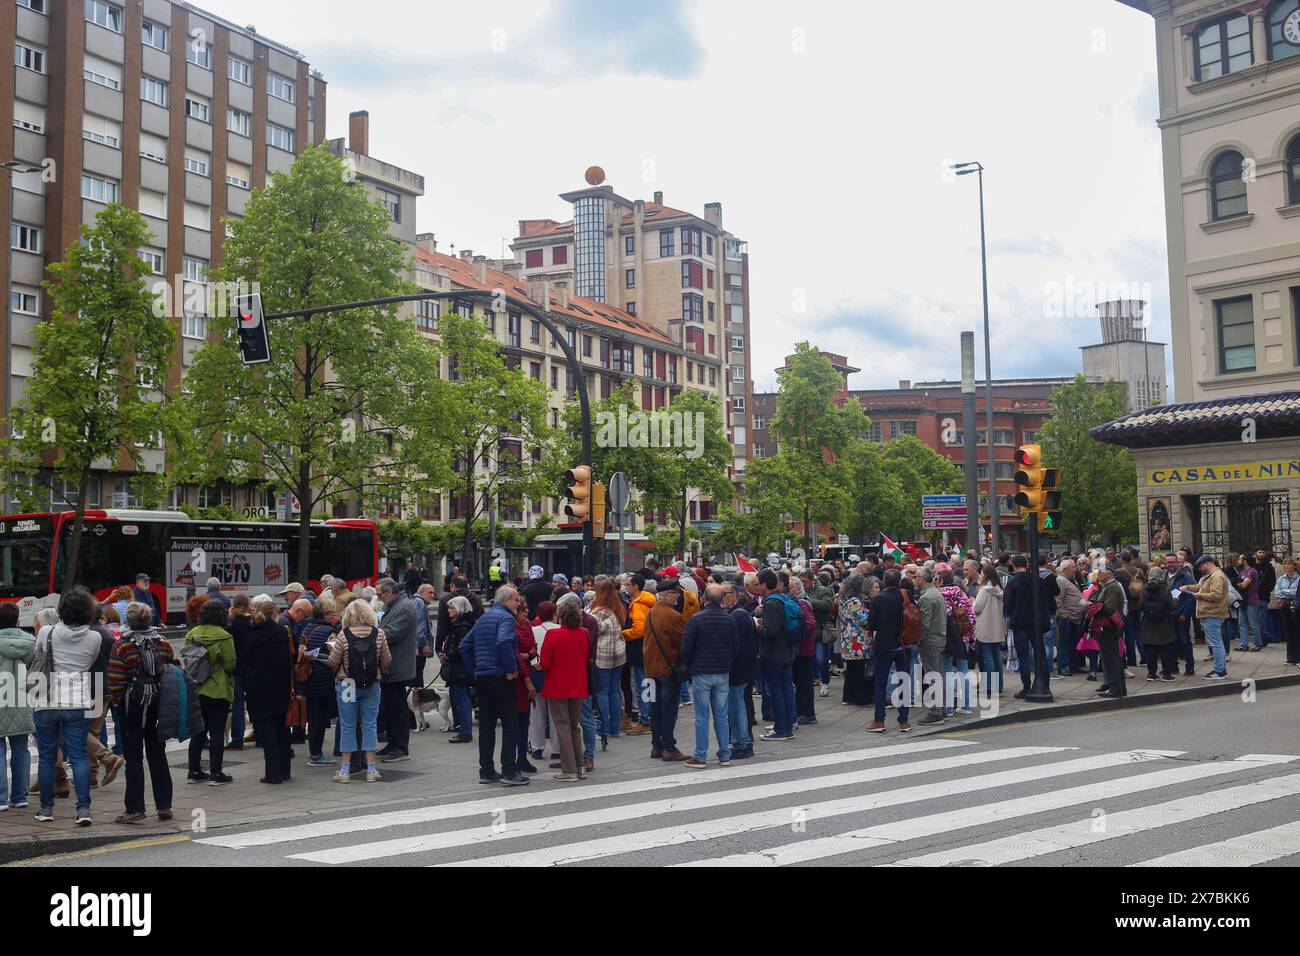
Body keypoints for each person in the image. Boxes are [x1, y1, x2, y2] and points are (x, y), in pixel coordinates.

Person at [31, 588, 100, 825]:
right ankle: (83, 810)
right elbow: (89, 663)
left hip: (46, 700)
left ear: (62, 610)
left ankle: (47, 809)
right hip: (76, 700)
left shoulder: (47, 632)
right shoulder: (94, 637)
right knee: (79, 756)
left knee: (47, 757)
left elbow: (38, 656)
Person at [107, 601, 175, 824]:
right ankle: (164, 805)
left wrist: (119, 704)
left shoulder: (122, 646)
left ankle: (135, 808)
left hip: (132, 708)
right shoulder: (163, 644)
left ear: (129, 621)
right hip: (158, 707)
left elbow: (115, 682)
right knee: (158, 755)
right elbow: (172, 673)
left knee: (134, 758)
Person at [460, 586, 530, 786]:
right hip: (500, 676)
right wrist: (511, 668)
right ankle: (509, 770)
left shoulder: (484, 618)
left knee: (487, 726)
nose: (518, 604)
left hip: (483, 677)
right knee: (510, 724)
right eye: (516, 600)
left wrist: (476, 670)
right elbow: (504, 642)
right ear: (507, 600)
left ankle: (487, 770)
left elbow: (465, 646)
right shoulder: (506, 618)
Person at [327, 598, 391, 783]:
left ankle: (345, 771)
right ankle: (371, 769)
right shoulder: (378, 634)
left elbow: (333, 662)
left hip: (347, 684)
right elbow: (386, 661)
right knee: (370, 725)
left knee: (348, 725)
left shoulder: (343, 635)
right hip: (371, 684)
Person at [681, 584, 738, 768]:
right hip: (722, 671)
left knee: (702, 716)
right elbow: (735, 647)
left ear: (704, 599)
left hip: (702, 671)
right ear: (722, 600)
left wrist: (690, 666)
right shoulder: (729, 619)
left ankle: (700, 755)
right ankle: (724, 754)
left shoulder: (696, 619)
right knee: (721, 715)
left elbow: (687, 648)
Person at [183, 598, 238, 785]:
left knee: (198, 731)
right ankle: (216, 773)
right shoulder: (224, 636)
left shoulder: (192, 634)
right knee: (216, 731)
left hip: (195, 688)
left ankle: (194, 771)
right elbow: (231, 664)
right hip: (217, 689)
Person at [243, 595, 294, 784]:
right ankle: (285, 769)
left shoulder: (251, 633)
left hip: (258, 686)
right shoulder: (281, 632)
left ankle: (273, 772)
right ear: (273, 613)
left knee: (267, 729)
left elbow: (245, 660)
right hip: (280, 685)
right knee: (283, 727)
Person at [540, 601, 589, 782]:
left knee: (563, 727)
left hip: (558, 685)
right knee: (575, 727)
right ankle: (580, 766)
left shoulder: (553, 634)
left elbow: (545, 663)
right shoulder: (584, 634)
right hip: (578, 684)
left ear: (560, 617)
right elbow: (585, 658)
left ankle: (568, 770)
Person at [642, 579, 688, 760]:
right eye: (674, 593)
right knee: (669, 709)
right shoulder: (673, 616)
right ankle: (669, 747)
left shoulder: (651, 612)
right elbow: (684, 642)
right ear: (666, 595)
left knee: (654, 708)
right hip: (667, 670)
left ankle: (656, 746)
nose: (677, 596)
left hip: (650, 670)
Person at [374, 577, 416, 764]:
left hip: (397, 666)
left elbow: (393, 633)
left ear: (389, 592)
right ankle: (392, 744)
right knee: (391, 708)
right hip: (391, 666)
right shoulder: (395, 606)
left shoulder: (404, 607)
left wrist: (370, 633)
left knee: (398, 709)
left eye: (379, 594)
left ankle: (400, 748)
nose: (378, 598)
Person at [0, 603, 35, 811]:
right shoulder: (29, 641)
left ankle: (1, 798)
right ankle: (20, 796)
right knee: (21, 749)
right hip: (21, 699)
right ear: (17, 619)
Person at [754, 568, 797, 741]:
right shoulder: (782, 598)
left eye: (757, 584)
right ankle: (787, 726)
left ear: (764, 585)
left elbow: (771, 632)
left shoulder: (770, 603)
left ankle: (780, 729)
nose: (755, 587)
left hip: (773, 654)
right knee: (786, 689)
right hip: (786, 651)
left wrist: (757, 627)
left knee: (776, 691)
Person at [866, 569, 910, 733]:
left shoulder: (878, 599)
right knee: (904, 681)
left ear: (884, 580)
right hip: (903, 644)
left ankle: (879, 720)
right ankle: (903, 721)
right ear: (899, 580)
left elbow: (872, 624)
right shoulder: (906, 595)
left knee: (881, 683)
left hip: (884, 645)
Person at [298, 597, 339, 767]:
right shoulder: (329, 631)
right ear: (325, 614)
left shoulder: (307, 627)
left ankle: (314, 752)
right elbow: (335, 655)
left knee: (313, 716)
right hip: (323, 680)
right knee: (320, 719)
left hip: (307, 678)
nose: (334, 616)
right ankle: (316, 754)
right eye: (332, 613)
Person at [721, 579, 756, 759]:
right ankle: (742, 741)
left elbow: (738, 647)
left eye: (723, 594)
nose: (721, 598)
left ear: (733, 595)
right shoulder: (736, 614)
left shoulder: (738, 616)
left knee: (737, 708)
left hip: (738, 671)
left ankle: (742, 743)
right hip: (740, 669)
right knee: (737, 706)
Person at [1183, 555, 1230, 679]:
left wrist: (1200, 596)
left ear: (1208, 564)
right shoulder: (1210, 576)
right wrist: (1188, 587)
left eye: (1201, 566)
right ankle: (1220, 669)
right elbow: (1201, 587)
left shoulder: (1217, 576)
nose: (1200, 568)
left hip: (1212, 613)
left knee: (1215, 643)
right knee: (1215, 642)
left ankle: (1219, 670)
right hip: (1210, 613)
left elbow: (1217, 595)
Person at [590, 579, 626, 739]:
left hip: (603, 656)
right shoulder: (617, 607)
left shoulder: (598, 612)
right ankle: (614, 728)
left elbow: (591, 632)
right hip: (618, 655)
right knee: (614, 691)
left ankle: (602, 729)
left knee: (603, 691)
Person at [439, 596, 476, 743]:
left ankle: (465, 732)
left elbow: (462, 647)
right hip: (460, 669)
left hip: (460, 670)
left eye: (451, 607)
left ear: (459, 608)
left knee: (462, 700)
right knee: (461, 699)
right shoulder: (462, 624)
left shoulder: (462, 626)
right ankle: (464, 730)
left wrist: (449, 655)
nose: (448, 610)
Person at [622, 574, 655, 735]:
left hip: (639, 650)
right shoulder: (646, 601)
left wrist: (623, 634)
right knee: (648, 685)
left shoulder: (638, 605)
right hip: (647, 650)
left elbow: (639, 630)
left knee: (642, 685)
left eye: (628, 584)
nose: (626, 587)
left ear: (636, 587)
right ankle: (651, 718)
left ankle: (645, 721)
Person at [915, 566, 949, 725]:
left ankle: (936, 712)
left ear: (922, 579)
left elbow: (924, 625)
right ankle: (941, 709)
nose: (915, 579)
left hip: (930, 641)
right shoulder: (935, 593)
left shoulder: (927, 597)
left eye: (916, 576)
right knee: (938, 675)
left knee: (934, 676)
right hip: (938, 639)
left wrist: (918, 639)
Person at [837, 573, 876, 706]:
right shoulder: (855, 602)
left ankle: (848, 696)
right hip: (857, 640)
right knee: (859, 670)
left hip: (848, 639)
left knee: (851, 669)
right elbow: (864, 619)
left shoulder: (843, 600)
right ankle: (861, 697)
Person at [1140, 569, 1179, 682]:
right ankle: (1166, 674)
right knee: (1165, 648)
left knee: (1150, 649)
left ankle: (1151, 674)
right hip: (1163, 622)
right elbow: (1171, 605)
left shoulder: (1144, 588)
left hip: (1148, 623)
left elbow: (1140, 604)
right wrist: (1176, 600)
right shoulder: (1165, 588)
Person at [1094, 567, 1128, 698]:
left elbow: (1109, 608)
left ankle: (1115, 688)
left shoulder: (1111, 587)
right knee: (1112, 657)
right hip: (1110, 626)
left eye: (1100, 574)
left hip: (1109, 626)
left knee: (1111, 658)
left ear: (1108, 575)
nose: (1098, 576)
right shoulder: (1109, 586)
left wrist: (1095, 606)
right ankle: (1117, 686)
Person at [973, 564, 1005, 698]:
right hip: (996, 626)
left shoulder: (984, 590)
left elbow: (977, 609)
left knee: (987, 657)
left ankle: (989, 686)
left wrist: (973, 602)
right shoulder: (999, 589)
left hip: (985, 626)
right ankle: (998, 685)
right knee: (996, 656)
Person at [1163, 553, 1198, 676]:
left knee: (1184, 641)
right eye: (1168, 562)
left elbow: (1191, 597)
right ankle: (1172, 667)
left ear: (1178, 563)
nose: (1171, 564)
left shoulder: (1186, 577)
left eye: (1173, 562)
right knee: (1170, 642)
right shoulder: (1164, 576)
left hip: (1181, 616)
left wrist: (1185, 613)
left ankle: (1190, 667)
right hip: (1168, 616)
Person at [226, 593, 252, 750]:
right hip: (253, 667)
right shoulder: (253, 622)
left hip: (237, 669)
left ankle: (237, 739)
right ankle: (261, 735)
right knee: (255, 702)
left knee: (237, 705)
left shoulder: (231, 624)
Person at [1055, 559, 1085, 677]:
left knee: (1073, 642)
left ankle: (1072, 664)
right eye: (1073, 567)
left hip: (1075, 617)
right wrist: (1064, 614)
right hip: (1067, 617)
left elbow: (1077, 596)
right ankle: (1063, 666)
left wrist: (1086, 604)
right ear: (1065, 569)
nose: (1075, 569)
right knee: (1064, 642)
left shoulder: (1071, 580)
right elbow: (1058, 599)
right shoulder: (1061, 580)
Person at [1274, 558, 1300, 666]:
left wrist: (1285, 591)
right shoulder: (1281, 579)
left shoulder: (1298, 578)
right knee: (1289, 632)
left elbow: (1296, 593)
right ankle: (1291, 658)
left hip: (1296, 607)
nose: (1287, 566)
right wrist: (1289, 592)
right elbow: (1277, 592)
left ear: (1294, 566)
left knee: (1297, 632)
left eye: (1289, 564)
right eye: (1285, 564)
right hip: (1285, 607)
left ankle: (1298, 657)